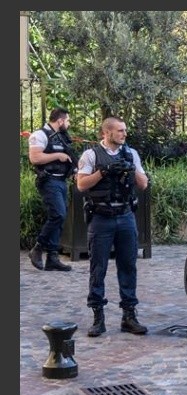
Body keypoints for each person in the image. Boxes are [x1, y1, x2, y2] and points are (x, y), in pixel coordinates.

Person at [76, 116, 149, 337]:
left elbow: (143, 184)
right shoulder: (90, 155)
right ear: (106, 133)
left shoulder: (131, 153)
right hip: (101, 218)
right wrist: (103, 172)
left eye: (124, 130)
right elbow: (80, 185)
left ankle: (129, 316)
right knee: (98, 268)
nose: (124, 134)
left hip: (125, 215)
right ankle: (98, 317)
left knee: (128, 266)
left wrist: (130, 167)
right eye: (120, 130)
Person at [27, 107, 78, 271]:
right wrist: (57, 156)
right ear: (60, 121)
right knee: (58, 214)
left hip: (61, 181)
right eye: (68, 120)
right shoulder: (39, 135)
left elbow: (69, 157)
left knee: (60, 218)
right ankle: (38, 248)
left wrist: (74, 171)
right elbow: (35, 158)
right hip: (48, 180)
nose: (69, 124)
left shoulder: (62, 137)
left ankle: (52, 259)